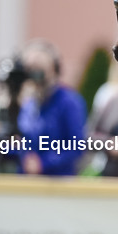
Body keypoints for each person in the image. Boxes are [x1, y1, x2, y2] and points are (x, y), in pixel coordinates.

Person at [15, 39, 87, 176]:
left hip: (58, 185)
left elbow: (77, 147)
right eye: (30, 70)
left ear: (54, 69)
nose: (35, 77)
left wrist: (43, 163)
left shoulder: (69, 102)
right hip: (26, 182)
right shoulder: (28, 104)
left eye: (40, 70)